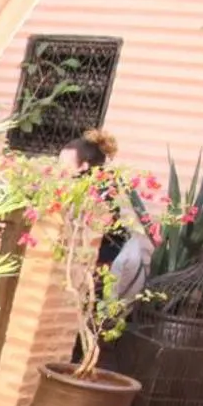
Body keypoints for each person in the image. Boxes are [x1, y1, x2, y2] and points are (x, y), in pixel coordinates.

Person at [56, 128, 152, 304]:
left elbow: (98, 227)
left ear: (84, 166)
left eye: (65, 163)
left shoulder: (103, 189)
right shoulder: (97, 183)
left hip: (106, 256)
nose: (60, 168)